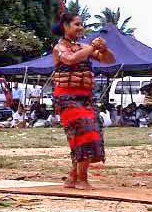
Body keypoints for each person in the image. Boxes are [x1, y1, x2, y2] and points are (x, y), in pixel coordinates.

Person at [52, 13, 115, 189]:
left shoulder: (84, 47)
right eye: (77, 24)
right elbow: (71, 60)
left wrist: (103, 49)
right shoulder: (59, 48)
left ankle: (73, 176)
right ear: (65, 26)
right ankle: (81, 178)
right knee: (84, 133)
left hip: (86, 98)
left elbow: (109, 60)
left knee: (92, 133)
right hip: (66, 98)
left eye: (82, 24)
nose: (81, 27)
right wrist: (91, 47)